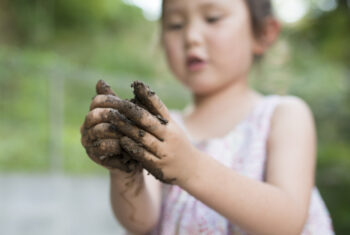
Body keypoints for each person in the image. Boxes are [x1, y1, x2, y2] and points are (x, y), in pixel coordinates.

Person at [80, 0, 334, 234]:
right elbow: (142, 221)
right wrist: (124, 173)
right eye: (175, 24)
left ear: (263, 33)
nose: (191, 36)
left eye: (212, 18)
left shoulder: (284, 115)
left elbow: (288, 220)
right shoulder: (167, 126)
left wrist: (190, 168)